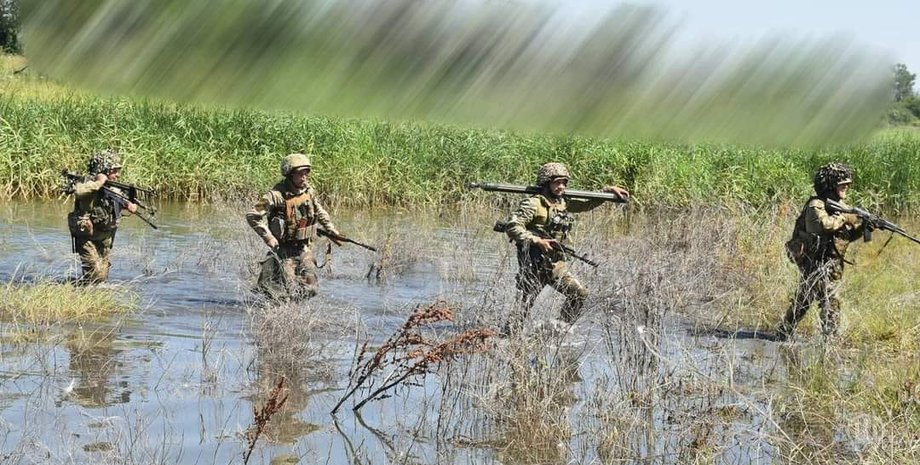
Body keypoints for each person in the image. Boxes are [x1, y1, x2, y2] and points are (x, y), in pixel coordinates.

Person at [502, 162, 629, 335]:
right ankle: (507, 337)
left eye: (564, 183)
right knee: (522, 308)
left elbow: (586, 204)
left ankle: (558, 330)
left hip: (556, 265)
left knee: (579, 294)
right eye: (556, 183)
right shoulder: (533, 204)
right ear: (546, 183)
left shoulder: (563, 202)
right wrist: (537, 240)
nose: (561, 186)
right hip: (534, 264)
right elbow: (513, 227)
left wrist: (607, 191)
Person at [778, 162, 866, 340]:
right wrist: (845, 217)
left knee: (806, 298)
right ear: (830, 185)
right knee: (827, 299)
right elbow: (823, 226)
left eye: (847, 183)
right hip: (814, 261)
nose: (846, 187)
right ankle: (830, 341)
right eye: (842, 184)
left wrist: (865, 227)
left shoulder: (839, 206)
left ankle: (785, 332)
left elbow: (844, 237)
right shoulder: (816, 205)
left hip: (832, 264)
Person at [246, 153, 342, 301]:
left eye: (306, 174)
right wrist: (268, 237)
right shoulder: (276, 195)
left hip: (303, 248)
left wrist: (330, 228)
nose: (304, 178)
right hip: (284, 251)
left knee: (312, 289)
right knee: (285, 291)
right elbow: (252, 215)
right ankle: (279, 310)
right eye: (300, 174)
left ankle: (294, 309)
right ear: (290, 175)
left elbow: (318, 210)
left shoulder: (308, 191)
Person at [66, 150, 138, 284]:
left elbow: (119, 199)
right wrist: (99, 183)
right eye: (114, 171)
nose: (117, 175)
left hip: (105, 238)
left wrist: (129, 205)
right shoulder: (89, 184)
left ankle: (79, 290)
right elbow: (79, 191)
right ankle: (75, 291)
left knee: (102, 277)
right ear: (104, 170)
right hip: (87, 237)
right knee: (95, 275)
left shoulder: (113, 188)